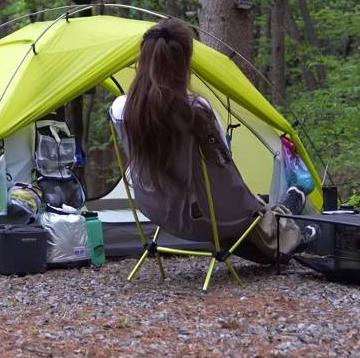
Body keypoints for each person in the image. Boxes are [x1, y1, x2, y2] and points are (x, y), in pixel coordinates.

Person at [109, 18, 314, 263]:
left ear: (142, 61)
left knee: (256, 223)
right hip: (209, 218)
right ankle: (294, 217)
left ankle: (290, 214)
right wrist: (251, 202)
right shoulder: (196, 111)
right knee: (262, 218)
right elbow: (223, 170)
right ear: (186, 62)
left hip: (157, 211)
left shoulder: (120, 109)